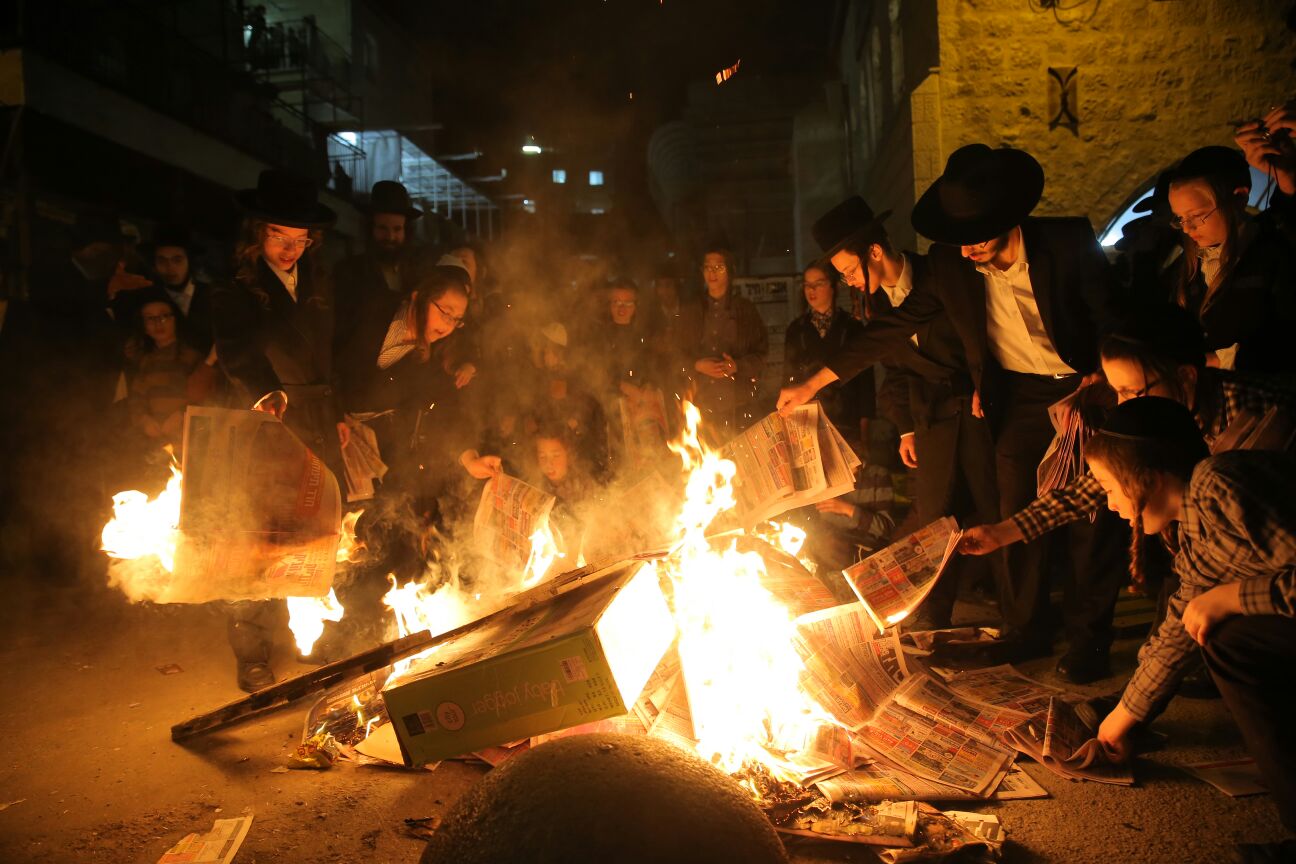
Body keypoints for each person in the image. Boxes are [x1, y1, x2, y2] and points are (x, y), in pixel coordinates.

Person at [780, 146, 1121, 660]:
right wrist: (813, 384)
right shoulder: (950, 262)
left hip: (1085, 383)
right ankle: (1025, 629)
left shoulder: (1067, 240)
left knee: (1092, 512)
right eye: (957, 241)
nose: (965, 252)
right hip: (1022, 395)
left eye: (975, 238)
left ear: (1008, 219)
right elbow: (894, 333)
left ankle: (1089, 640)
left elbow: (1110, 310)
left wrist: (1107, 372)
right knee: (1014, 508)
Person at [960, 304, 1296, 681]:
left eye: (1131, 391)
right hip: (1212, 561)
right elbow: (1088, 489)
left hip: (1273, 575)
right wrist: (1002, 532)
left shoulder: (1260, 421)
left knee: (1200, 637)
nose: (1123, 405)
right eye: (1116, 391)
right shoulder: (1157, 417)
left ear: (1185, 376)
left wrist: (1230, 599)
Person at [1083, 398, 1296, 860]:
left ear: (1148, 476)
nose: (1109, 501)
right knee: (1214, 631)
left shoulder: (1220, 484)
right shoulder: (1194, 530)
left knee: (1228, 638)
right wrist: (1122, 718)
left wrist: (1232, 598)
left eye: (1108, 485)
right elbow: (1178, 630)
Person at [805, 196, 1002, 630]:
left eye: (850, 271)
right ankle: (933, 617)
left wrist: (981, 384)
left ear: (874, 251)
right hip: (929, 416)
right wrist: (906, 429)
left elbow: (980, 332)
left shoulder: (938, 273)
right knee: (933, 519)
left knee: (993, 507)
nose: (850, 282)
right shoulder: (875, 305)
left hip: (975, 406)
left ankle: (1018, 616)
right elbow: (893, 368)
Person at [212, 168, 346, 693]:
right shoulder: (234, 290)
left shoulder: (316, 285)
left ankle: (315, 637)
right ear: (257, 234)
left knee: (315, 533)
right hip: (265, 420)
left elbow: (326, 358)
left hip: (314, 415)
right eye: (278, 236)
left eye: (299, 239)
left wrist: (337, 410)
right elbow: (236, 352)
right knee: (256, 537)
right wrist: (267, 392)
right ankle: (251, 652)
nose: (290, 248)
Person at [1165, 145, 1296, 372]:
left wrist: (1211, 360)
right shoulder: (1184, 269)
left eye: (1196, 215)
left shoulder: (1273, 254)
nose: (1187, 228)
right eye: (1180, 218)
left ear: (1239, 198)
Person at [678, 241, 768, 439]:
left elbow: (761, 356)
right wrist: (696, 365)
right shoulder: (691, 311)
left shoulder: (745, 311)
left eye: (719, 267)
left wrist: (738, 366)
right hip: (699, 403)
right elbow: (675, 354)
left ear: (730, 271)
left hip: (738, 404)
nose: (713, 272)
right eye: (708, 267)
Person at [783, 263, 873, 451]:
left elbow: (866, 384)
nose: (812, 290)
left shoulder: (851, 328)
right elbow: (788, 378)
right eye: (807, 285)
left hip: (846, 423)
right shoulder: (796, 330)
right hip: (808, 422)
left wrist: (864, 432)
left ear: (834, 286)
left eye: (819, 283)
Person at [124, 290, 218, 455]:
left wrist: (183, 416)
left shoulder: (191, 357)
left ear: (175, 319)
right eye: (150, 319)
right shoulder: (144, 361)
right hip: (156, 444)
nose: (158, 323)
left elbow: (207, 396)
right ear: (143, 325)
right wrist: (144, 420)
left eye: (164, 316)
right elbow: (137, 398)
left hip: (191, 442)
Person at [334, 181, 423, 328]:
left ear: (406, 231)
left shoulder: (419, 272)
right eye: (383, 228)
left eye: (397, 229)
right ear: (370, 229)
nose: (391, 237)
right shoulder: (348, 272)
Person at [145, 223, 214, 354]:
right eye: (162, 260)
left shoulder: (212, 295)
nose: (169, 267)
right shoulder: (148, 298)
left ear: (189, 261)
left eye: (177, 260)